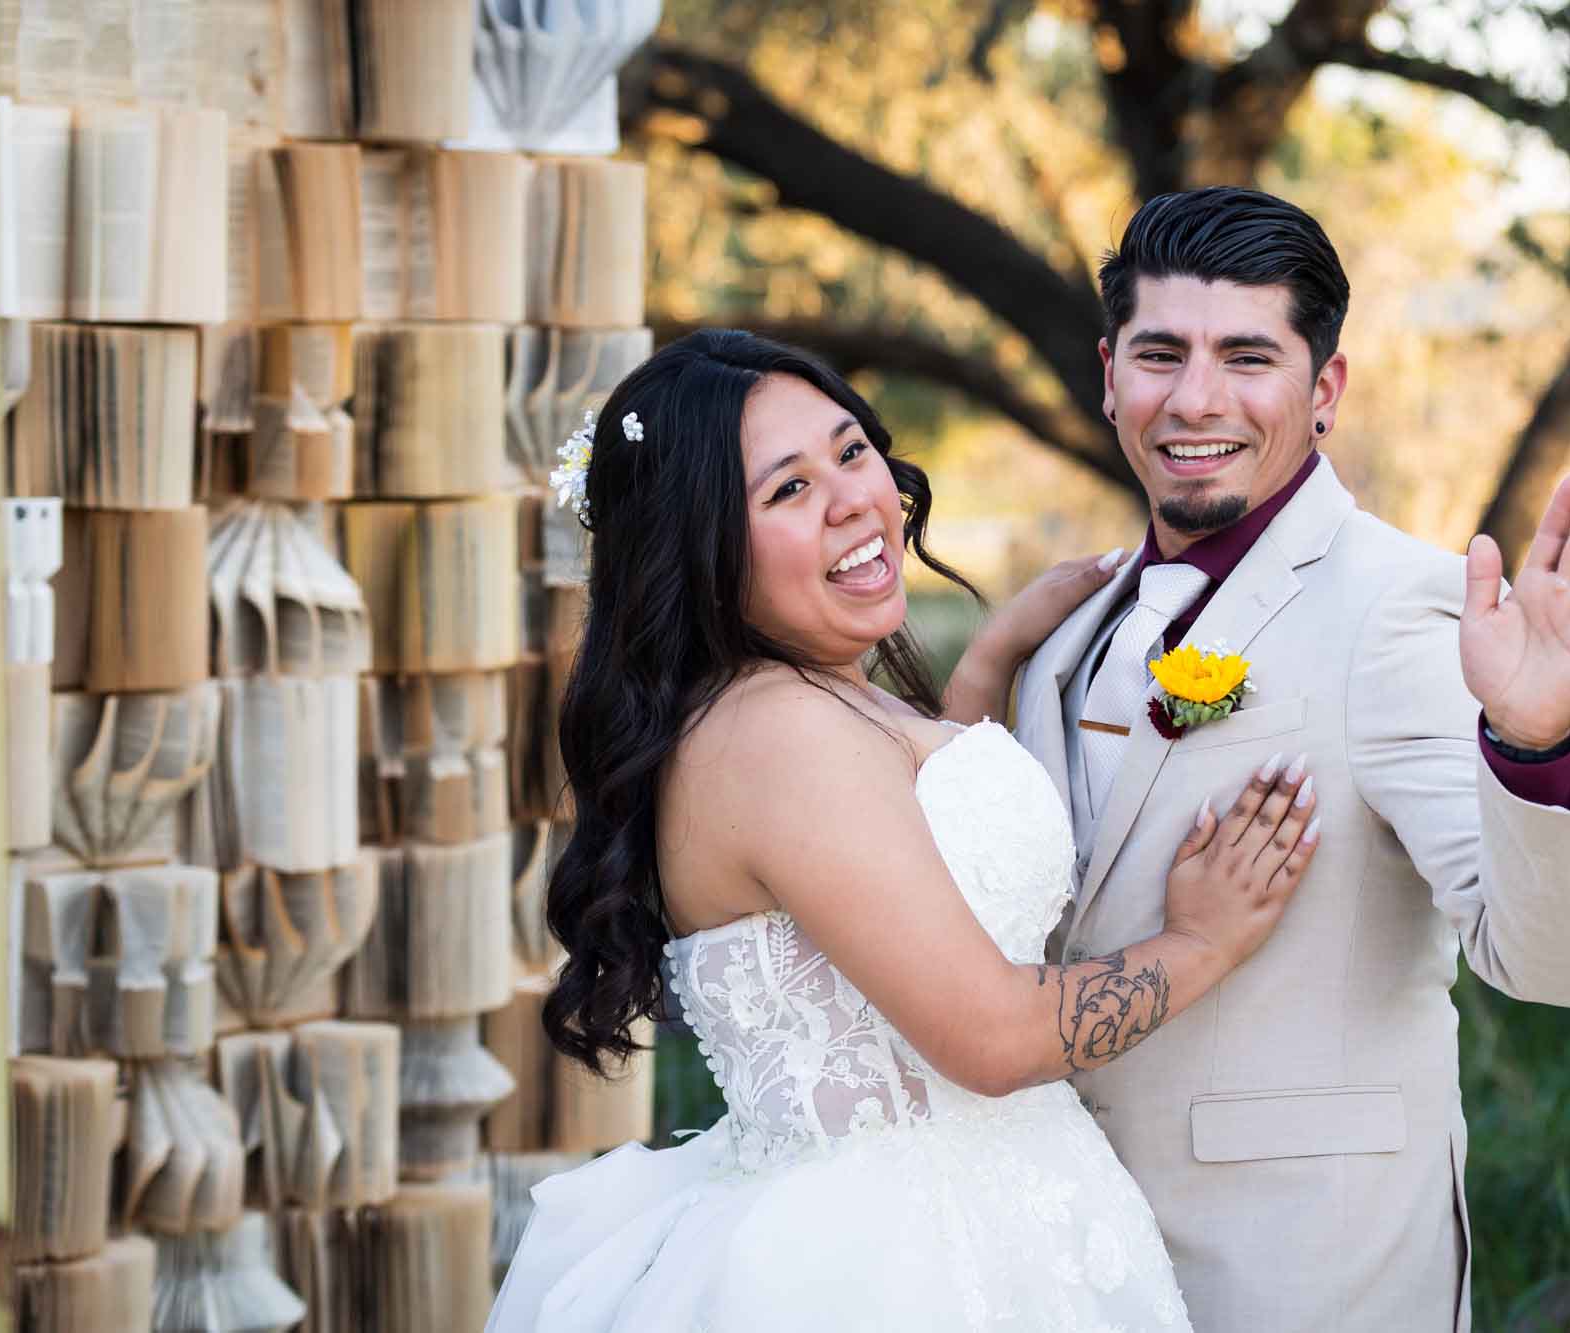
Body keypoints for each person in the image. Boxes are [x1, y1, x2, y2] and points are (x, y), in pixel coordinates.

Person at [486, 329, 1323, 1331]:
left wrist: (985, 668)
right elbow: (990, 1035)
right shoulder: (773, 732)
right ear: (697, 548)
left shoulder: (811, 702)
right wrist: (1199, 942)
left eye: (849, 450)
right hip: (899, 1261)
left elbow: (909, 863)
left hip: (983, 1212)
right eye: (785, 491)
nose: (852, 498)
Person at [1009, 186, 1570, 1331]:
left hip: (1299, 1273)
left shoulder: (1396, 608)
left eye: (1246, 357)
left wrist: (1535, 741)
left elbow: (1556, 964)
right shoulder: (1074, 620)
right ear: (1110, 375)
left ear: (1325, 390)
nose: (1193, 398)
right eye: (1160, 353)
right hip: (1060, 1261)